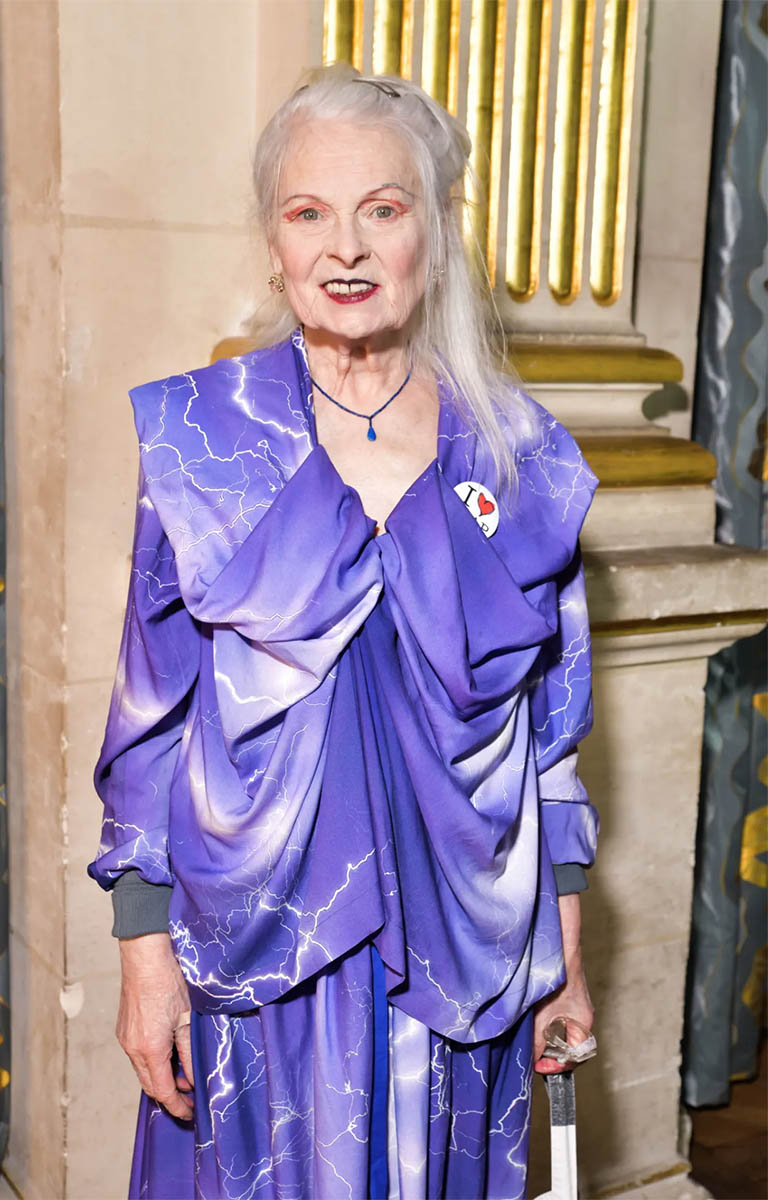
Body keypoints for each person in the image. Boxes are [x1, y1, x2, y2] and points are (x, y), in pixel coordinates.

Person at [89, 64, 598, 1200]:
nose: (346, 249)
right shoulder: (202, 440)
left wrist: (565, 955)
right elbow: (147, 724)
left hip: (464, 965)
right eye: (308, 212)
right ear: (272, 242)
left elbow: (551, 741)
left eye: (383, 208)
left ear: (435, 233)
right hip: (258, 962)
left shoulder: (522, 457)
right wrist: (142, 952)